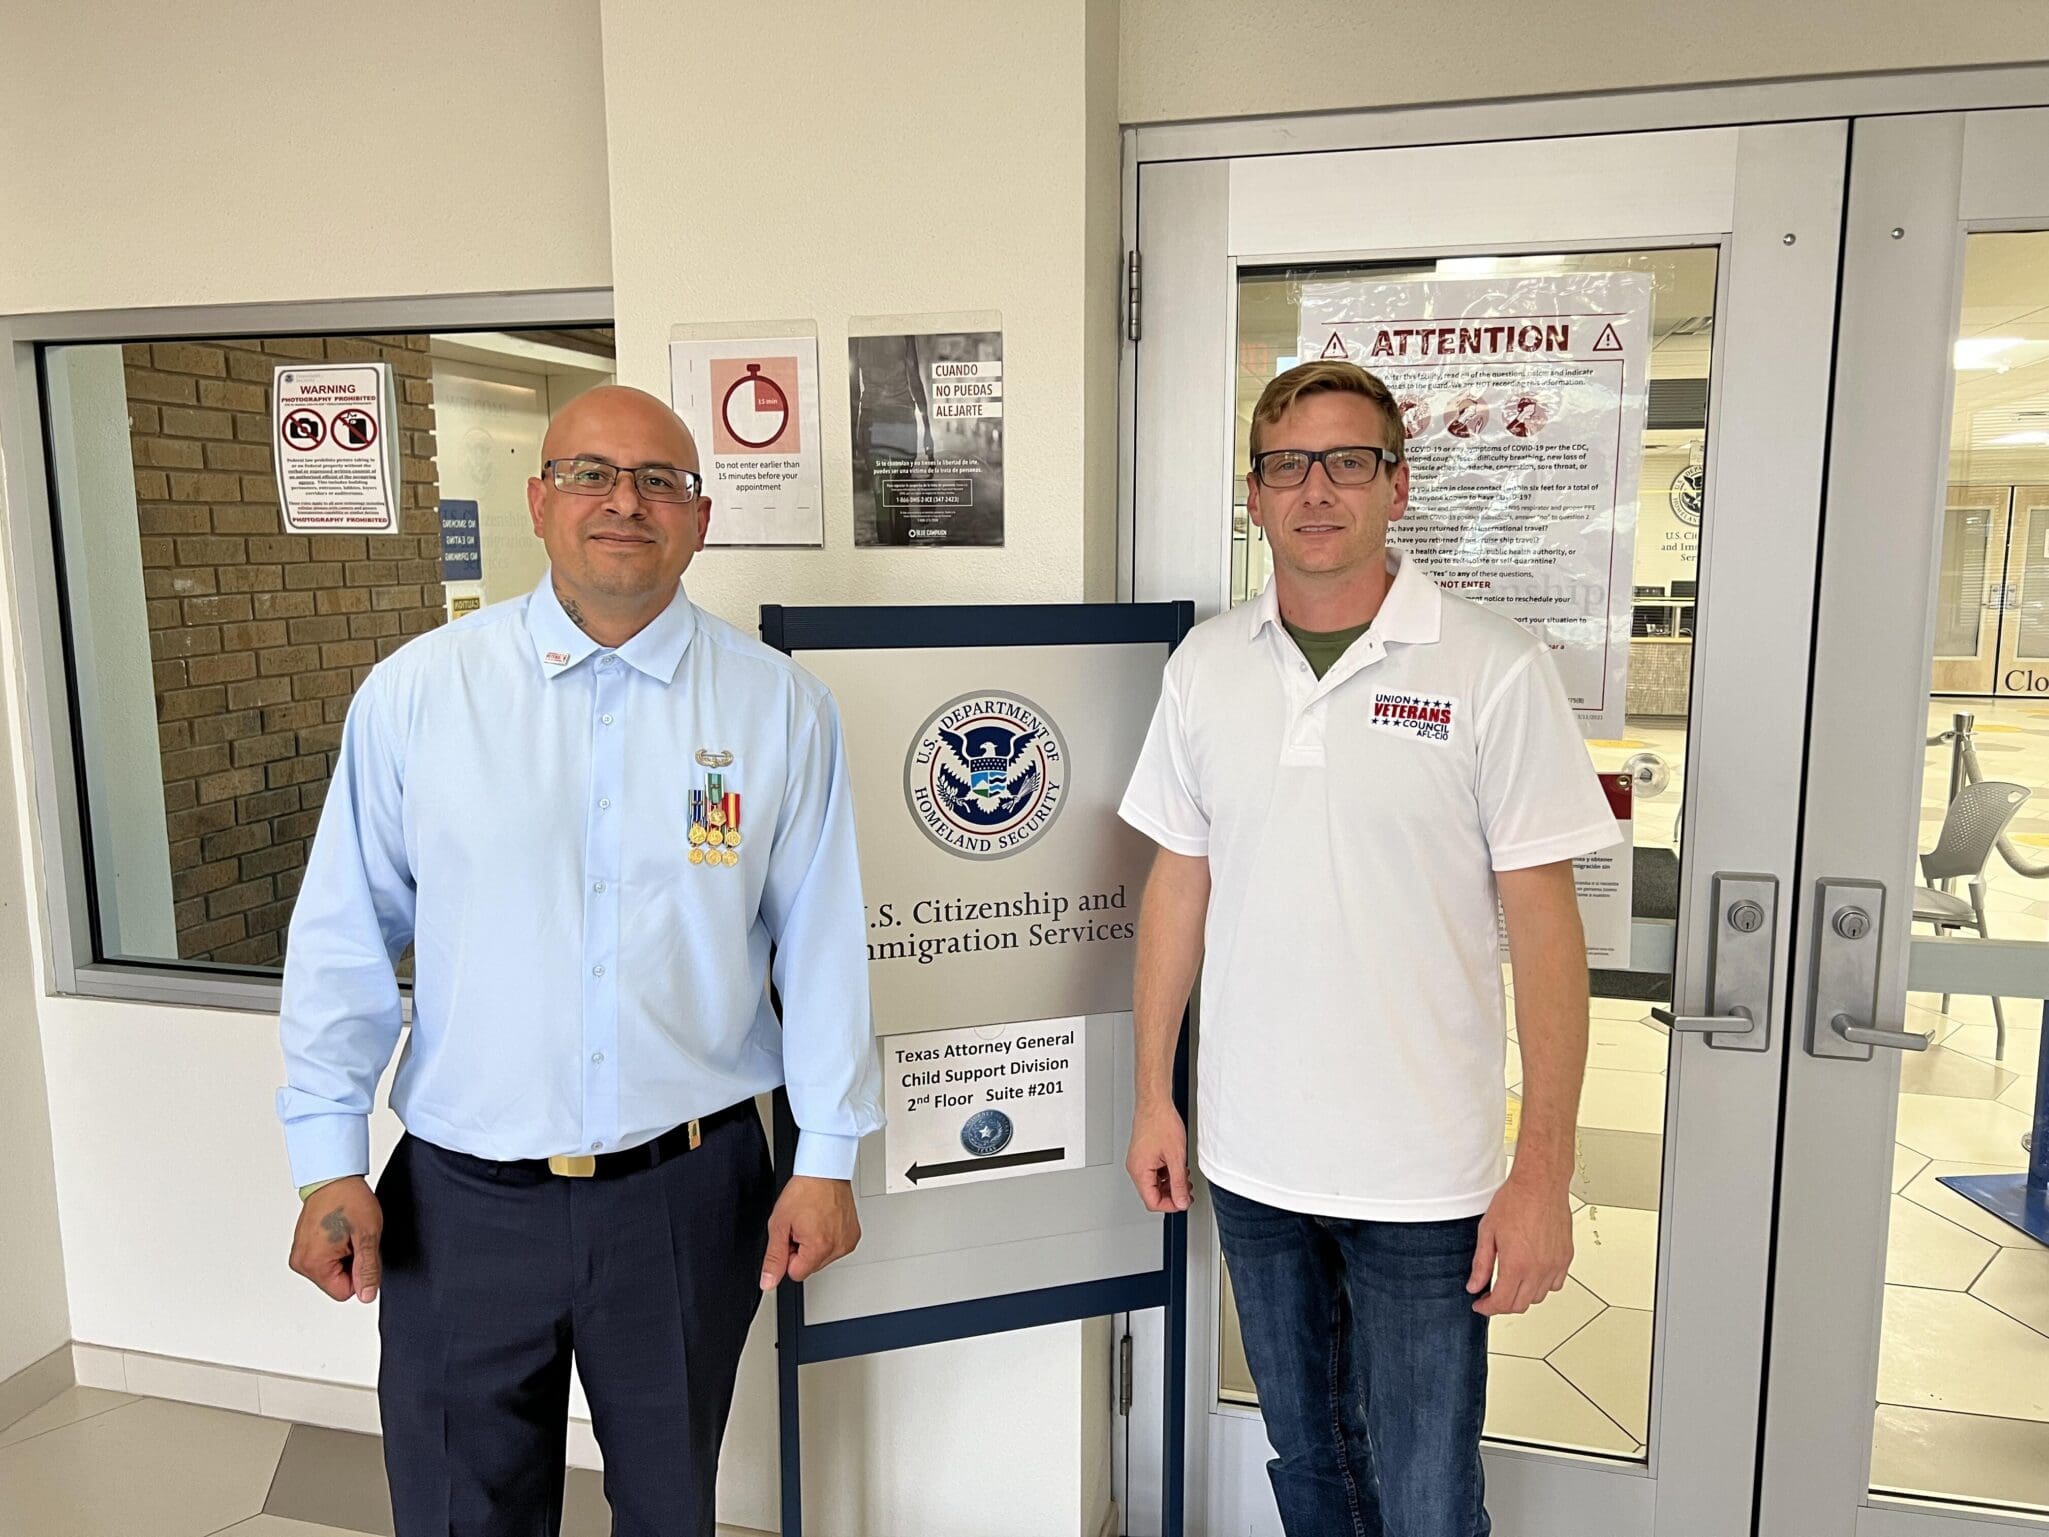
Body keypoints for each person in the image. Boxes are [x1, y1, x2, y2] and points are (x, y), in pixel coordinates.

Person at [277, 385, 884, 1537]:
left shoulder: (779, 708)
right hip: (459, 1203)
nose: (626, 502)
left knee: (668, 1506)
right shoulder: (421, 695)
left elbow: (821, 945)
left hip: (685, 1196)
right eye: (592, 473)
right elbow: (343, 939)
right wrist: (325, 1157)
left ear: (699, 518)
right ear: (539, 500)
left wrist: (831, 1153)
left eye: (661, 480)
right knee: (463, 1510)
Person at [1119, 360, 1618, 1537]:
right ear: (1255, 495)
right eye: (1289, 464)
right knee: (1310, 1468)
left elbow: (1548, 931)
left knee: (1429, 1493)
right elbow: (1177, 887)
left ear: (1397, 485)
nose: (1318, 489)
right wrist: (1155, 1096)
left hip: (1427, 1176)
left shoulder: (1491, 666)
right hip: (1254, 1162)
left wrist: (1541, 1169)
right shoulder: (1206, 666)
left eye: (1350, 460)